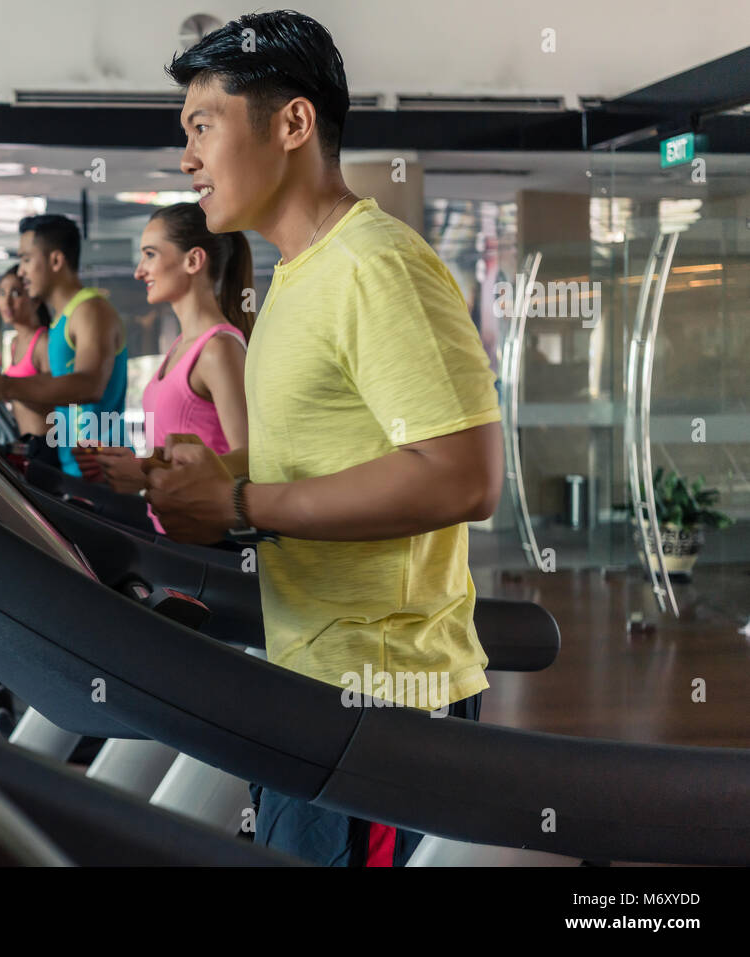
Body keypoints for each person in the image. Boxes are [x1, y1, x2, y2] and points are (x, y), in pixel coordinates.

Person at [146, 10, 504, 867]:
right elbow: (322, 462)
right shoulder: (294, 277)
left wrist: (238, 498)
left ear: (293, 123)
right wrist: (210, 476)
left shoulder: (374, 264)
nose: (187, 157)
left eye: (204, 126)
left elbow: (462, 475)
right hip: (313, 676)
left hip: (380, 695)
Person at [91, 203, 251, 534]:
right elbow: (179, 444)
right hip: (172, 536)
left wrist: (148, 471)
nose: (139, 271)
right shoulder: (180, 346)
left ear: (193, 261)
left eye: (150, 254)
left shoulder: (218, 348)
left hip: (211, 545)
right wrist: (130, 464)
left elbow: (252, 458)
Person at [0, 215, 130, 478]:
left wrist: (4, 385)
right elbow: (59, 391)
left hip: (103, 476)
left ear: (55, 261)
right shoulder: (61, 321)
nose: (20, 271)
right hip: (72, 469)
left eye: (27, 259)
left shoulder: (90, 309)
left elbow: (89, 385)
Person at [0, 265, 52, 438]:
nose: (6, 302)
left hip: (47, 443)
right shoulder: (14, 342)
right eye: (2, 293)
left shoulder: (43, 342)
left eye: (16, 293)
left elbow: (57, 395)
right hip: (25, 443)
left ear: (35, 300)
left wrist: (5, 386)